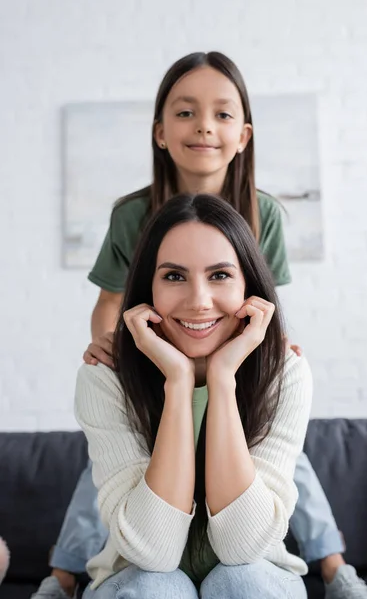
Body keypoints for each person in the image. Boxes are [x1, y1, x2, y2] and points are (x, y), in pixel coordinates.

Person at [33, 52, 367, 599]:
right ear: (160, 132)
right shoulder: (134, 215)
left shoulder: (262, 213)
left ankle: (335, 567)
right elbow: (109, 301)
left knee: (283, 455)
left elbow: (270, 304)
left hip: (244, 384)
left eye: (221, 115)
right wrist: (114, 349)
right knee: (111, 463)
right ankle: (60, 576)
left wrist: (258, 356)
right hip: (146, 380)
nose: (204, 127)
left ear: (243, 135)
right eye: (187, 113)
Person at [76, 192, 313, 598]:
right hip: (137, 577)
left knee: (243, 581)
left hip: (256, 575)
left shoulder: (284, 373)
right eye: (173, 276)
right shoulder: (105, 377)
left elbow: (243, 547)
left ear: (249, 287)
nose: (199, 301)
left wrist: (222, 379)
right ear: (146, 288)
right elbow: (153, 552)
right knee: (153, 587)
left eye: (220, 275)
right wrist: (179, 382)